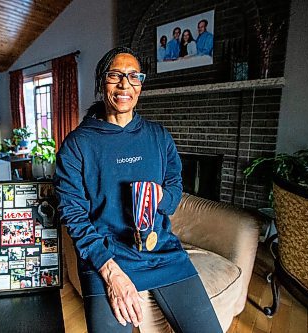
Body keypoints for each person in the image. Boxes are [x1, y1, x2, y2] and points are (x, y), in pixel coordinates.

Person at [54, 46, 222, 333]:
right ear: (101, 83)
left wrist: (161, 197)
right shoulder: (77, 144)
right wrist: (110, 272)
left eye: (134, 76)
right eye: (115, 76)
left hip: (163, 252)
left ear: (141, 84)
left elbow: (174, 188)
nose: (125, 84)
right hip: (105, 256)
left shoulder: (158, 136)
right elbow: (73, 214)